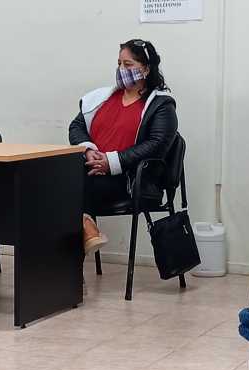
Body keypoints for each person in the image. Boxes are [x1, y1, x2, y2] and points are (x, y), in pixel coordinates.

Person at [69, 38, 177, 254]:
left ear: (146, 69)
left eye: (128, 65)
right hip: (92, 171)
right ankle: (87, 229)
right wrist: (88, 150)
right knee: (58, 181)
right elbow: (77, 126)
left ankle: (82, 240)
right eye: (119, 63)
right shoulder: (102, 98)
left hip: (130, 180)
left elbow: (157, 145)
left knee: (71, 188)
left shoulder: (161, 105)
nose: (121, 69)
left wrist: (111, 162)